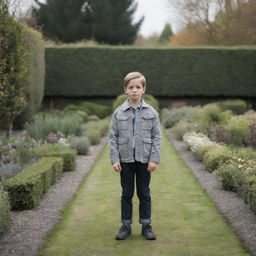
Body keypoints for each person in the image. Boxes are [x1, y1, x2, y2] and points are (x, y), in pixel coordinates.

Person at [108, 71, 162, 240]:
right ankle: (126, 225)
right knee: (127, 194)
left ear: (143, 89)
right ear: (125, 89)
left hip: (144, 160)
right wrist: (115, 159)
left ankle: (146, 225)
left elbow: (157, 137)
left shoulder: (151, 112)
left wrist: (154, 159)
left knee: (144, 193)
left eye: (138, 87)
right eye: (131, 87)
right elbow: (113, 138)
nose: (134, 90)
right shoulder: (119, 113)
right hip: (125, 161)